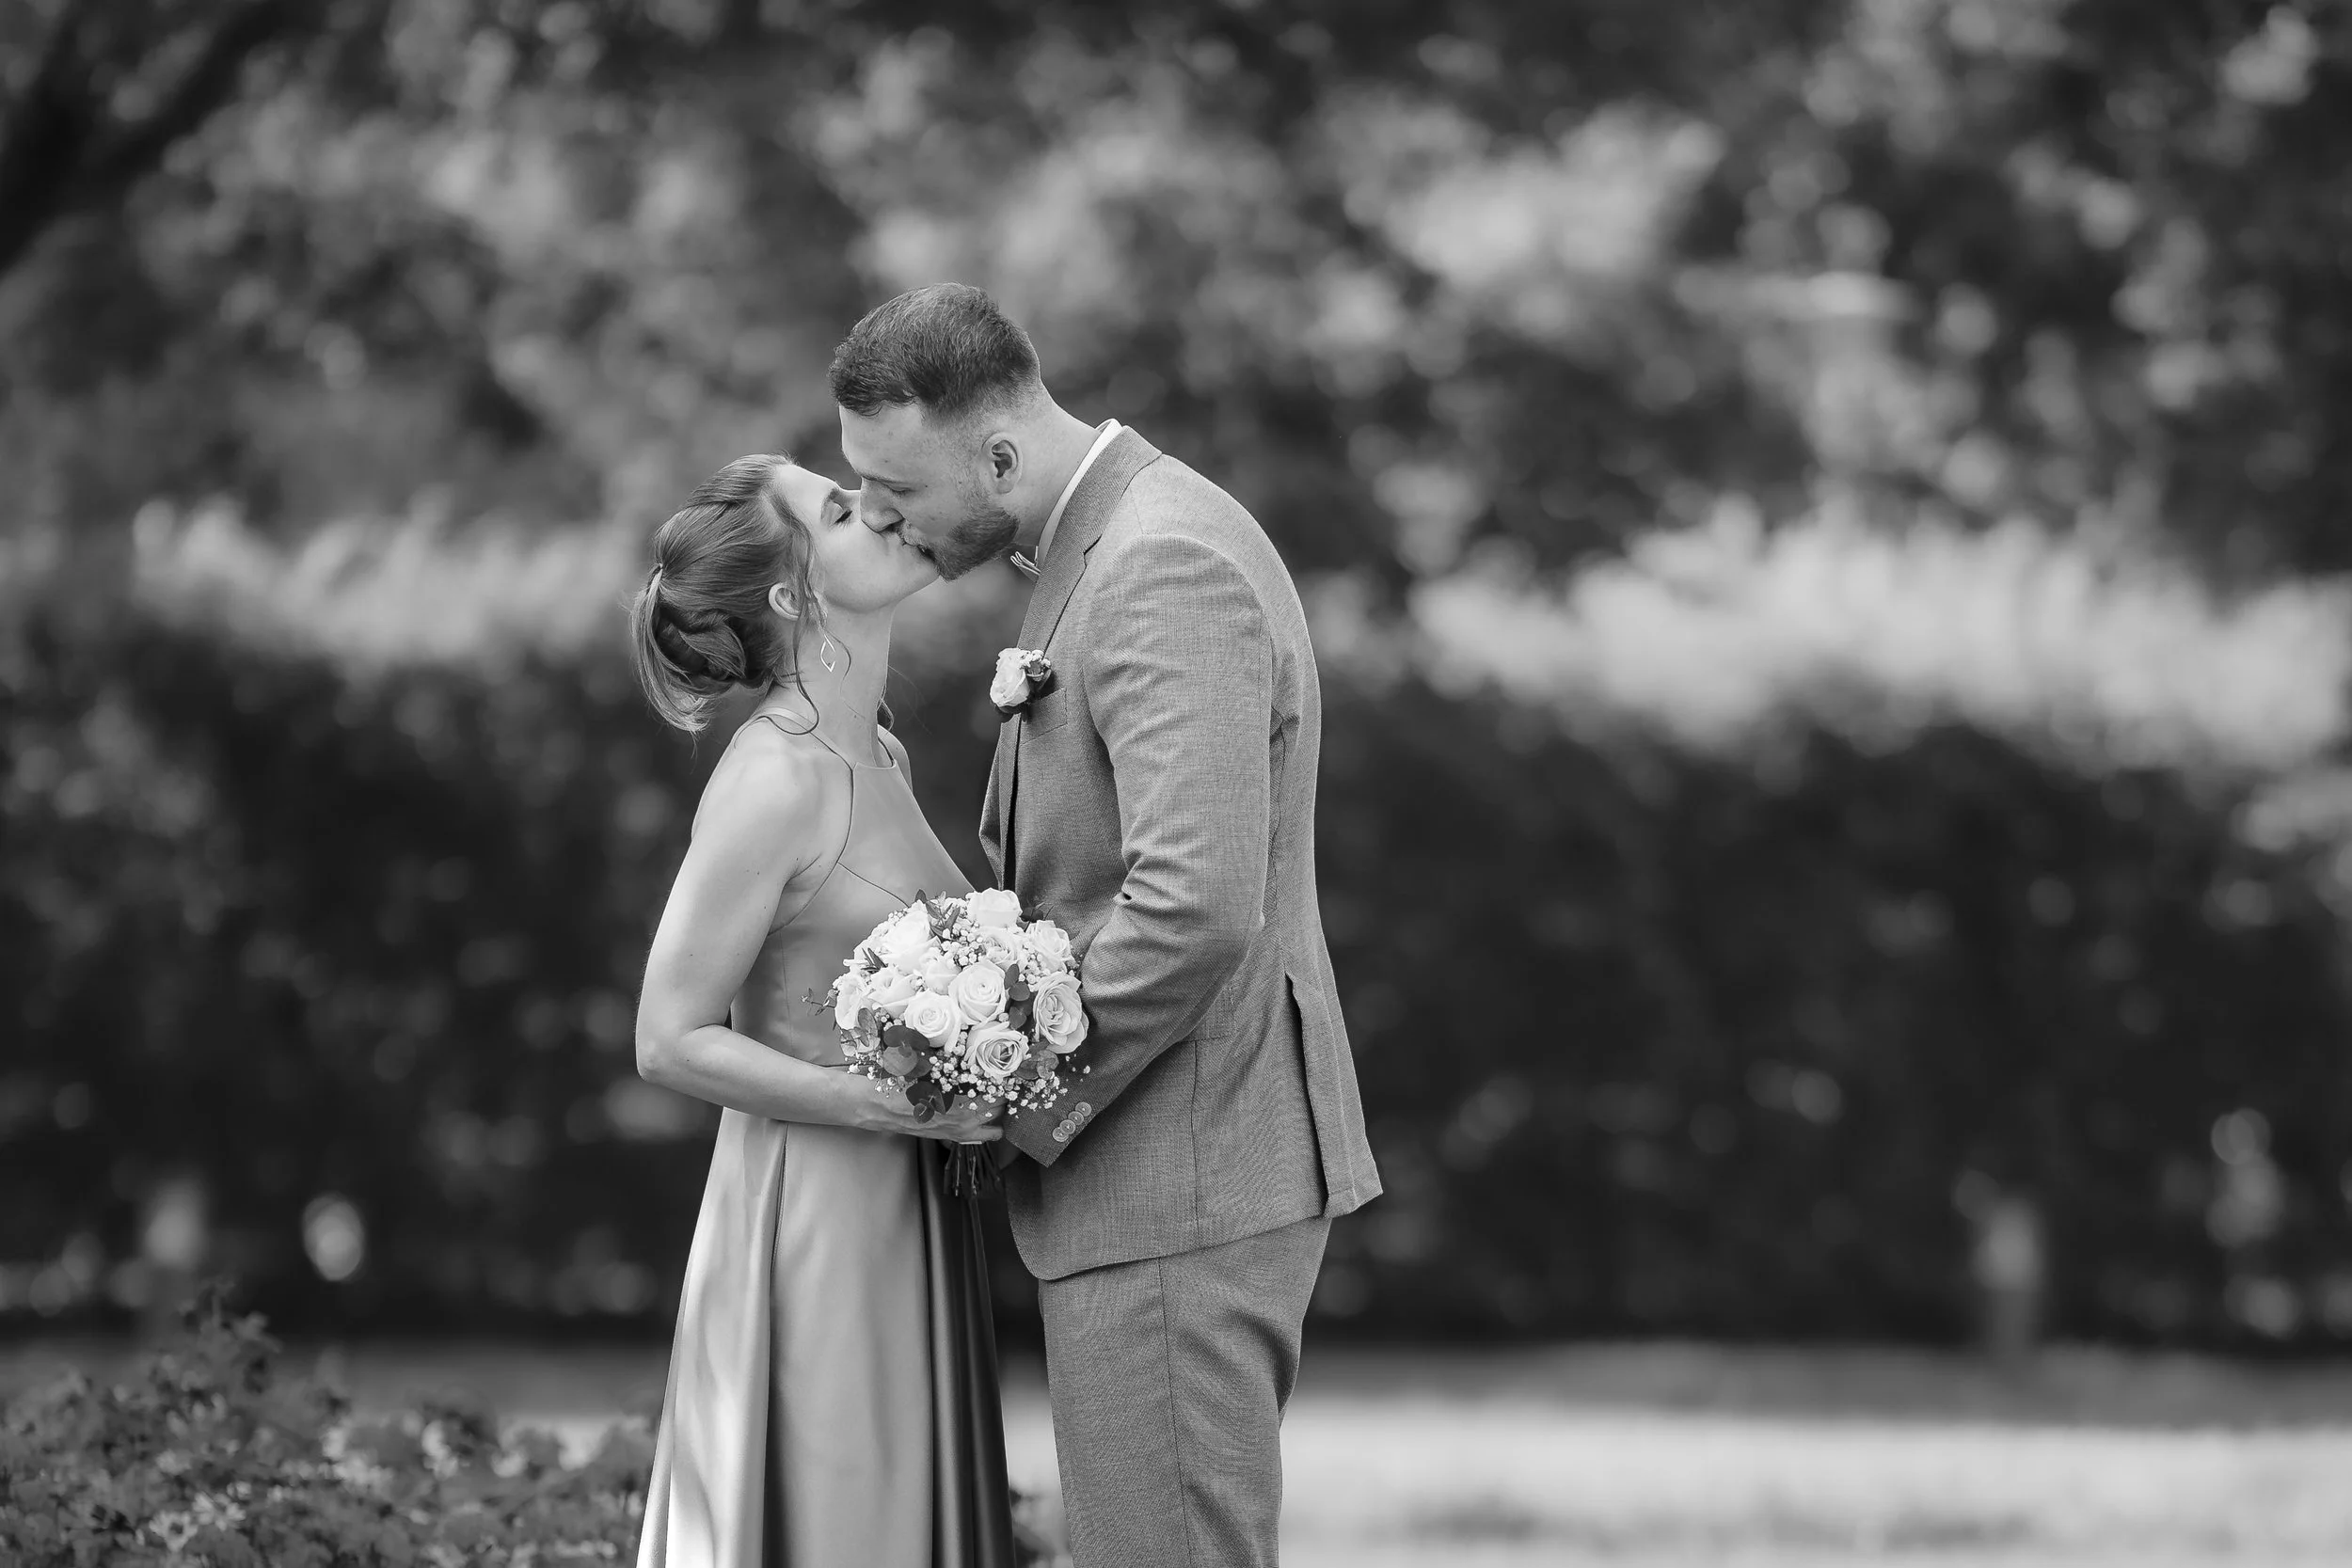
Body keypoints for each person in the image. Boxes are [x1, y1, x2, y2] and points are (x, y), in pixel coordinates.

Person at [833, 283, 1383, 1568]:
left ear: (999, 455)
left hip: (1177, 1172)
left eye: (894, 485)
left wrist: (1012, 1093)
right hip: (1166, 1171)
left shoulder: (1159, 564)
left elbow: (1191, 906)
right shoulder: (1107, 545)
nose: (877, 514)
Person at [627, 454, 1019, 1567]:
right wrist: (888, 1107)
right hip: (815, 1221)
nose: (881, 505)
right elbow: (667, 1037)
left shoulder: (876, 750)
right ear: (793, 594)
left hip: (912, 1203)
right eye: (841, 509)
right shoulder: (774, 779)